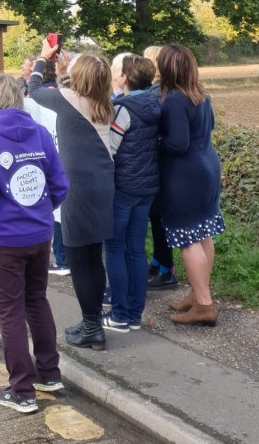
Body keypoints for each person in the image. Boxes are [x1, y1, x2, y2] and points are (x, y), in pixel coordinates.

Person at [0, 73, 69, 414]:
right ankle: (49, 374)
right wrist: (39, 211)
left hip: (3, 238)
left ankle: (21, 390)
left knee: (10, 310)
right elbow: (59, 186)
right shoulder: (40, 134)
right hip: (39, 235)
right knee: (36, 301)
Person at [27, 43, 118, 351]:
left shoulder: (68, 99)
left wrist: (44, 57)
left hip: (77, 189)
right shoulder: (104, 101)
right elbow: (72, 88)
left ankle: (92, 327)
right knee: (94, 255)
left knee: (79, 258)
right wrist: (67, 72)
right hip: (103, 184)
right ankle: (92, 320)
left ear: (79, 78)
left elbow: (34, 88)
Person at [157, 44, 224, 326]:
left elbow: (178, 143)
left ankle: (204, 305)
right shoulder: (202, 93)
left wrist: (156, 140)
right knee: (203, 233)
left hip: (184, 175)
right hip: (207, 165)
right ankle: (198, 295)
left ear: (166, 68)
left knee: (187, 238)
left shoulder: (174, 99)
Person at [102, 55, 161, 332]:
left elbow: (110, 149)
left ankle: (119, 314)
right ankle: (135, 314)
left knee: (114, 247)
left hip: (123, 186)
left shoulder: (122, 108)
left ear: (125, 78)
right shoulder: (155, 104)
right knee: (136, 249)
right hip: (148, 187)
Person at [143, 44, 178, 289]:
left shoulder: (156, 94)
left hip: (158, 165)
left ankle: (167, 269)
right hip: (164, 164)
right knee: (157, 217)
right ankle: (158, 261)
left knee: (158, 217)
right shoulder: (167, 91)